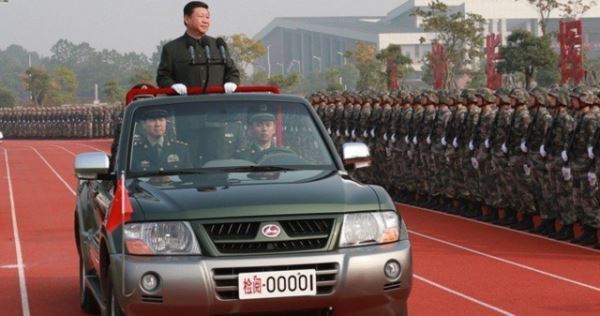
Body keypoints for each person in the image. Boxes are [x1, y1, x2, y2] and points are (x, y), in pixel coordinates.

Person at [157, 1, 240, 95]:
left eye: (207, 17)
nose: (205, 21)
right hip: (186, 105)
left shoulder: (218, 45)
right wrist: (172, 86)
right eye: (200, 16)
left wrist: (232, 82)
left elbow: (233, 73)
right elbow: (162, 77)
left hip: (216, 105)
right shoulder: (171, 48)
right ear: (187, 19)